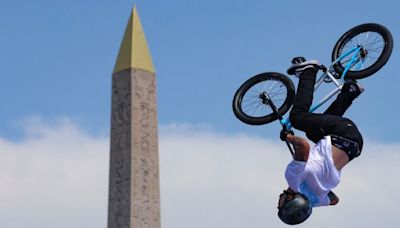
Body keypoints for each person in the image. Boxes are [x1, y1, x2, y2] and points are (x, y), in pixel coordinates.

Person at [277, 57, 364, 225]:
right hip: (342, 133)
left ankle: (350, 91)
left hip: (354, 146)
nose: (277, 205)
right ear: (290, 201)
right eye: (280, 207)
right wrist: (288, 137)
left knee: (313, 132)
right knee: (298, 117)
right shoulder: (293, 179)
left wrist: (320, 186)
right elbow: (303, 146)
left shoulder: (317, 200)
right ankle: (308, 72)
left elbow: (334, 200)